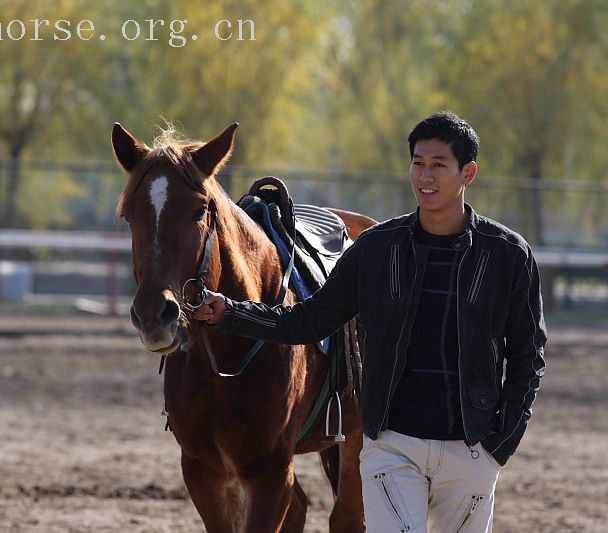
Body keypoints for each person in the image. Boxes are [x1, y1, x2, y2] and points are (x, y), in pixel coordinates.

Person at [194, 111, 546, 532]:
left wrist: (500, 442)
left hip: (472, 448)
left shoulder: (508, 254)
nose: (425, 176)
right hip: (393, 446)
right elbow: (310, 320)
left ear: (467, 172)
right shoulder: (377, 248)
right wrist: (230, 312)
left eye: (438, 165)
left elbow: (528, 354)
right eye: (418, 163)